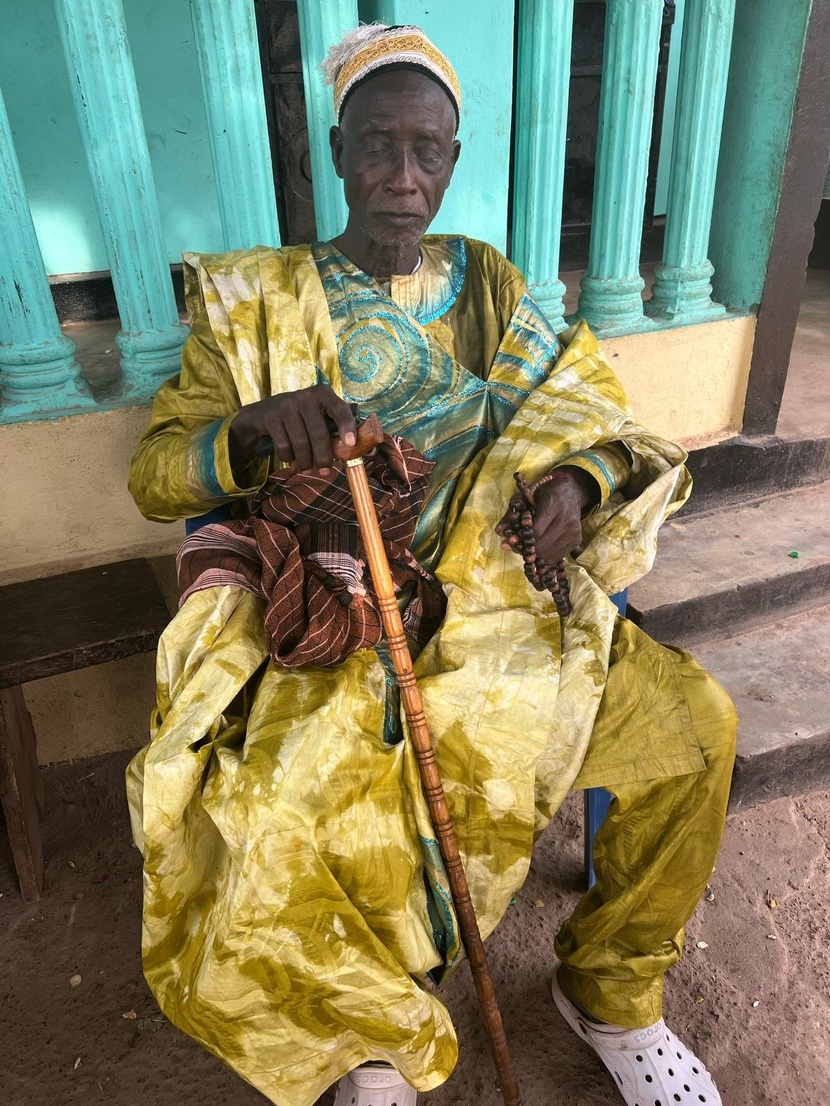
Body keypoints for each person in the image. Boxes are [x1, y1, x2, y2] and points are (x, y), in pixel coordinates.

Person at [126, 23, 737, 1106]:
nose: (401, 182)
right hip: (337, 624)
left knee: (695, 726)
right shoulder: (253, 299)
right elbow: (161, 473)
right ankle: (367, 1042)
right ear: (335, 149)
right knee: (274, 811)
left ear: (453, 157)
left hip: (505, 614)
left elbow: (594, 415)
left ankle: (607, 991)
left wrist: (576, 487)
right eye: (375, 147)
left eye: (427, 151)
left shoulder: (491, 284)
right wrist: (254, 430)